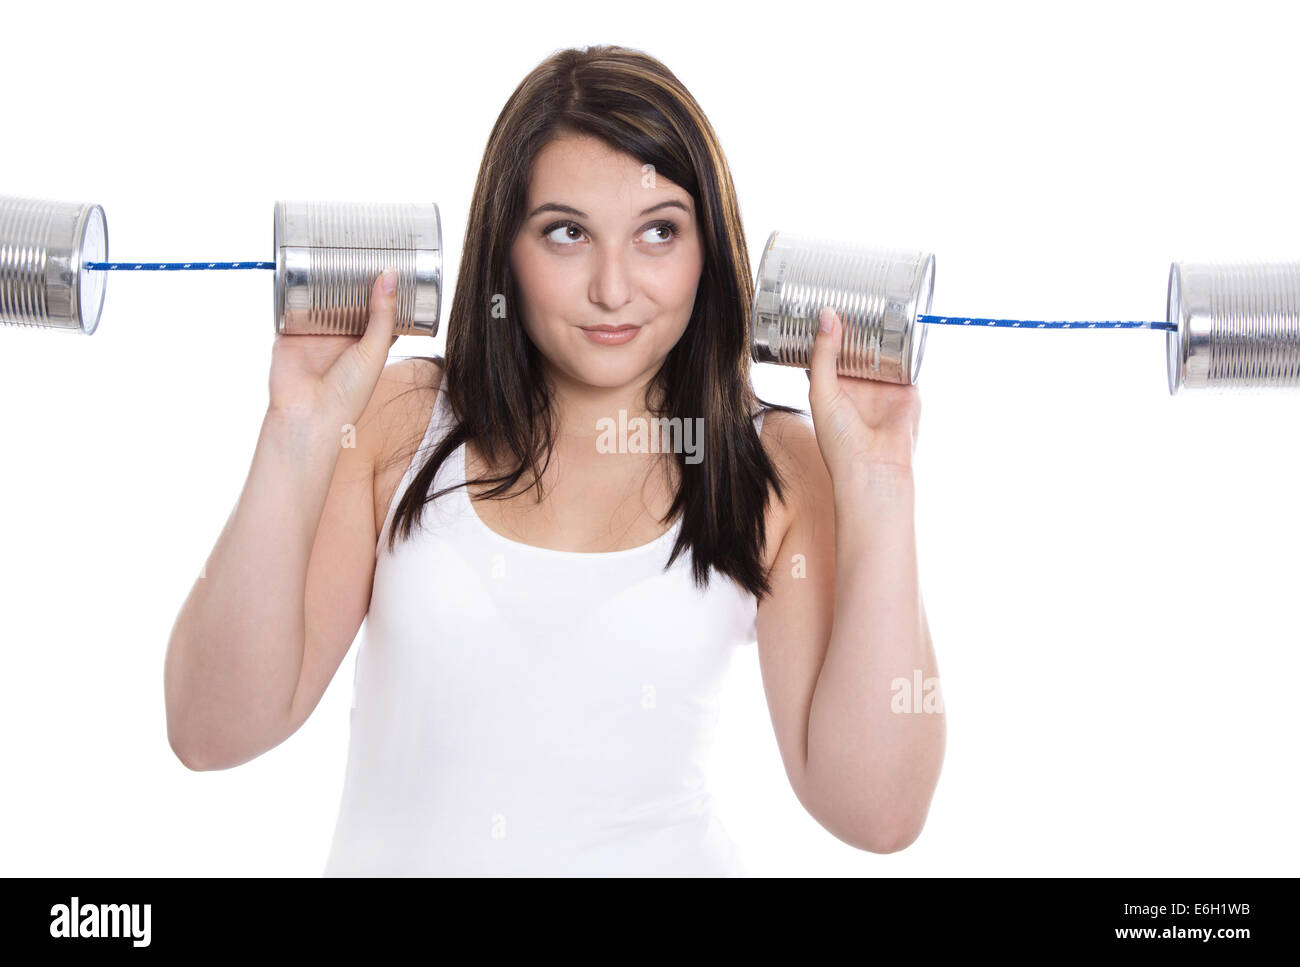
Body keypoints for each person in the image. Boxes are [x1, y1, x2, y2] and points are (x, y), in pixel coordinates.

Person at [163, 44, 944, 877]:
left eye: (658, 232)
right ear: (505, 249)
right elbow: (211, 730)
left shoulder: (777, 468)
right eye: (567, 233)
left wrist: (882, 489)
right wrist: (296, 435)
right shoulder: (395, 421)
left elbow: (878, 813)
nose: (614, 288)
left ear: (708, 248)